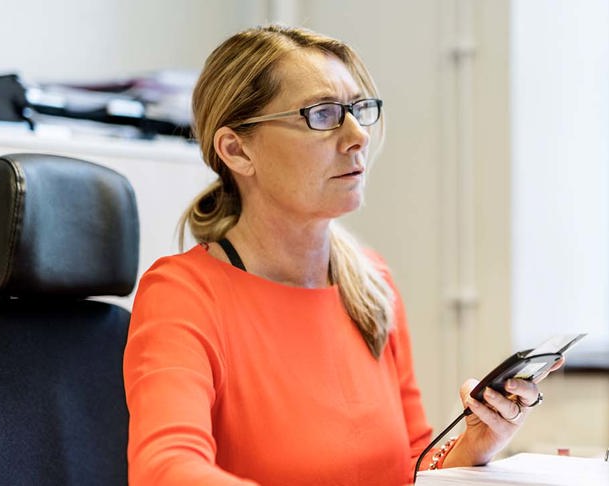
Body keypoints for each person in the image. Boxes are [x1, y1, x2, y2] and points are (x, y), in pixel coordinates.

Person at [123, 25, 559, 485]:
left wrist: (473, 445)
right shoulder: (183, 295)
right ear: (237, 149)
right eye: (323, 114)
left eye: (358, 110)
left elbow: (406, 466)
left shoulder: (371, 283)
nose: (358, 136)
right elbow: (166, 470)